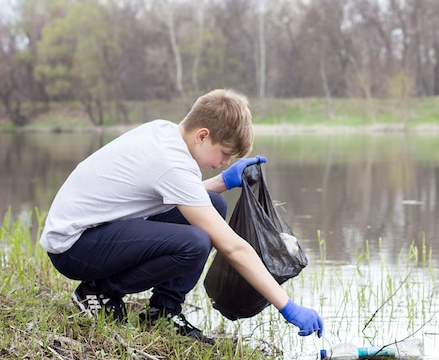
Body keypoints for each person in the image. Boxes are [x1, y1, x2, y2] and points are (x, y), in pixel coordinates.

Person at [39, 89, 323, 343]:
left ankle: (163, 311)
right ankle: (97, 293)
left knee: (214, 204)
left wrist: (223, 181)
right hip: (74, 247)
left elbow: (174, 192)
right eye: (224, 154)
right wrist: (287, 306)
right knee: (196, 241)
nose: (224, 162)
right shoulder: (171, 163)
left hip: (99, 231)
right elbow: (234, 248)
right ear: (202, 135)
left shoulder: (165, 132)